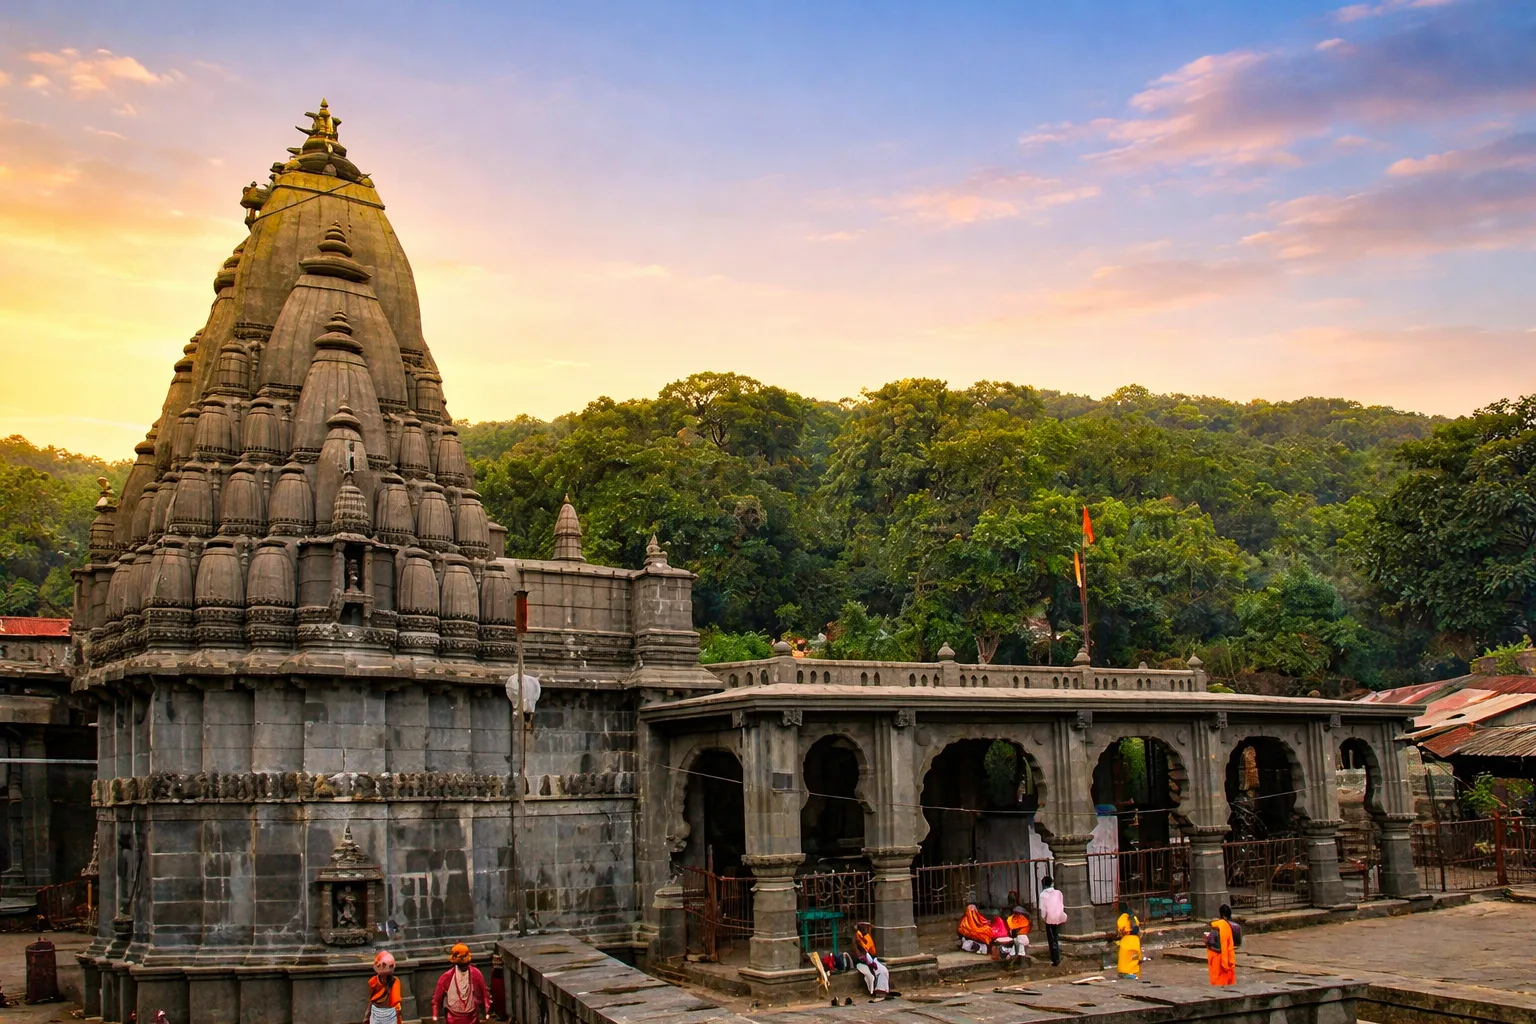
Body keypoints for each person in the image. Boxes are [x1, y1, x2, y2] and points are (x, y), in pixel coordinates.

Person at [433, 943, 491, 1024]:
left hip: (472, 1016)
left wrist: (487, 1009)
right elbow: (437, 998)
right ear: (456, 963)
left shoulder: (476, 973)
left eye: (466, 964)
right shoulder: (446, 977)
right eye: (462, 965)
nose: (465, 967)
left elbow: (485, 993)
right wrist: (435, 1014)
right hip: (452, 1018)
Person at [852, 921, 899, 1002]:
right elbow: (861, 954)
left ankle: (884, 991)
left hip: (871, 960)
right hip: (865, 962)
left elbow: (867, 949)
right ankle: (880, 993)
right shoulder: (857, 941)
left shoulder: (865, 939)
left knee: (884, 970)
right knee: (880, 971)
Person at [1205, 904, 1241, 986]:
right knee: (1228, 983)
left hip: (1217, 958)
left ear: (1221, 914)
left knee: (1218, 982)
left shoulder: (1217, 925)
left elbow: (1212, 943)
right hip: (1227, 957)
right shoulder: (1233, 926)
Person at [368, 950, 403, 1024]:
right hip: (376, 1012)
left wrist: (397, 1011)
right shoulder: (374, 981)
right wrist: (367, 1014)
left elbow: (395, 1001)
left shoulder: (395, 981)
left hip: (390, 1013)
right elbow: (371, 998)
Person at [1038, 876, 1066, 967]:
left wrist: (1043, 918)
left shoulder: (1043, 895)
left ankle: (1055, 959)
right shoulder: (1058, 893)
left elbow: (1043, 909)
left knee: (1052, 939)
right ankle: (1057, 956)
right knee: (1056, 937)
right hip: (1059, 917)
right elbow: (1061, 905)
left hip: (1049, 919)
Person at [1114, 900, 1142, 981]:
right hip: (1135, 941)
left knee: (1124, 959)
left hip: (1126, 941)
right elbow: (1137, 927)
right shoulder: (1134, 918)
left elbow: (1120, 931)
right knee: (1134, 958)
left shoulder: (1122, 918)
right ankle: (1133, 973)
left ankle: (1124, 973)